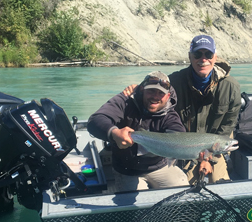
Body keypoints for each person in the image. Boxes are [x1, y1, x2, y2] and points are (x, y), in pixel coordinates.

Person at [87, 71, 189, 192]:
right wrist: (114, 133)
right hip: (127, 169)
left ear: (167, 96)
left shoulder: (170, 115)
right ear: (142, 90)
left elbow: (179, 134)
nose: (155, 97)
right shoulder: (125, 100)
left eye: (161, 93)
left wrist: (192, 151)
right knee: (137, 206)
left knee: (182, 192)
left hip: (159, 166)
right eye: (151, 91)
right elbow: (96, 120)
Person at [169, 35, 242, 183]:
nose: (203, 59)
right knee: (186, 189)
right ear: (190, 57)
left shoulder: (231, 87)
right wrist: (135, 90)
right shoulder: (174, 82)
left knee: (222, 186)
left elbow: (227, 128)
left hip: (215, 148)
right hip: (183, 148)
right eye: (197, 54)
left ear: (215, 57)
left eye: (208, 54)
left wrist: (210, 159)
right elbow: (150, 94)